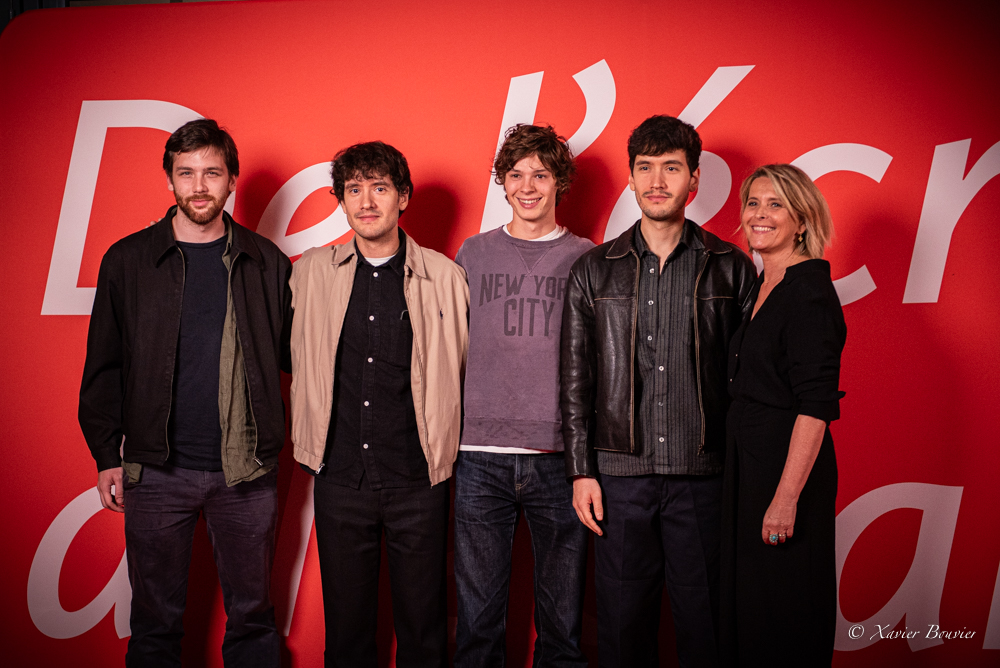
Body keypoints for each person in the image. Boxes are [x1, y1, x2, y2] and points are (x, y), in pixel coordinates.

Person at [78, 119, 292, 667]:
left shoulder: (267, 262)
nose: (199, 186)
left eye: (212, 173)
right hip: (155, 472)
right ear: (170, 180)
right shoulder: (127, 260)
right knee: (154, 624)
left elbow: (293, 363)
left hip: (245, 472)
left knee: (253, 619)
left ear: (232, 181)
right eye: (186, 173)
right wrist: (108, 455)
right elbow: (104, 365)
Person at [561, 115, 756, 667]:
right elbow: (576, 381)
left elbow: (746, 387)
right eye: (645, 168)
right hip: (620, 482)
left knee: (706, 630)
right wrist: (581, 471)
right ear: (629, 178)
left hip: (704, 479)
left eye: (671, 168)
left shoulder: (731, 270)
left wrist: (742, 477)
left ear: (693, 180)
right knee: (622, 633)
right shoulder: (593, 271)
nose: (657, 180)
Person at [288, 141, 469, 668]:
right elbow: (289, 356)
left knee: (424, 631)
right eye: (354, 189)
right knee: (346, 634)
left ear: (403, 197)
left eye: (380, 188)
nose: (367, 201)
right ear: (341, 200)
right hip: (341, 478)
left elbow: (462, 364)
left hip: (419, 480)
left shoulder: (445, 277)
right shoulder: (308, 275)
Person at [452, 124, 594, 668]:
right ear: (502, 184)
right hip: (479, 456)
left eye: (540, 174)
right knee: (478, 620)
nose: (527, 186)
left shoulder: (589, 258)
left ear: (560, 181)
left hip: (562, 460)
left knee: (562, 624)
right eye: (515, 175)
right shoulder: (474, 252)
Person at [720, 164, 846, 666]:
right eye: (753, 203)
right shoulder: (760, 285)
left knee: (786, 615)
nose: (760, 214)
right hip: (748, 470)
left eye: (776, 205)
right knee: (752, 614)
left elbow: (815, 407)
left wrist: (786, 498)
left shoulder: (809, 292)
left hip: (783, 474)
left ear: (802, 219)